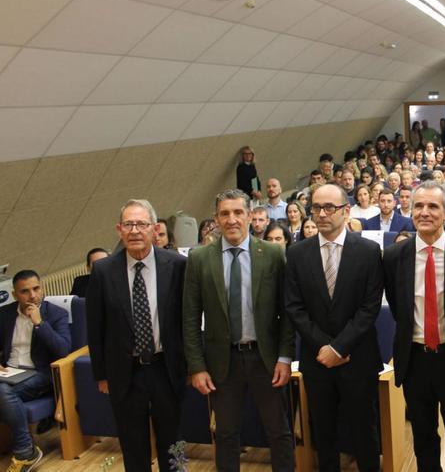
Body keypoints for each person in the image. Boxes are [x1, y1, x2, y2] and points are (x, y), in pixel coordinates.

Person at [182, 189, 295, 472]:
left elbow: (287, 312)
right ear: (216, 219)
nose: (231, 219)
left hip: (265, 359)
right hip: (223, 362)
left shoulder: (271, 254)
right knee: (226, 434)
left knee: (279, 432)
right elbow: (190, 318)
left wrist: (284, 357)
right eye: (224, 213)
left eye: (238, 212)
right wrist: (196, 366)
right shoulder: (199, 258)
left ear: (249, 216)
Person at [382, 180, 445, 471]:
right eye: (418, 206)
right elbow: (398, 307)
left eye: (433, 206)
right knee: (423, 437)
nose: (424, 212)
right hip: (414, 360)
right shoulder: (393, 257)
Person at [285, 184, 384, 472]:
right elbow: (294, 308)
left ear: (346, 211)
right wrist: (324, 347)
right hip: (318, 361)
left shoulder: (368, 251)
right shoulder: (297, 253)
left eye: (330, 207)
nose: (322, 214)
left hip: (358, 357)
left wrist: (340, 347)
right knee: (323, 432)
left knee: (364, 430)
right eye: (316, 207)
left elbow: (369, 308)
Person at [86, 199, 186, 472]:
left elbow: (186, 321)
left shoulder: (177, 265)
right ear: (119, 229)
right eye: (128, 224)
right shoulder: (104, 271)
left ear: (154, 229)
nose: (134, 231)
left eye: (141, 224)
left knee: (174, 443)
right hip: (125, 373)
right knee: (133, 445)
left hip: (166, 368)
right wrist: (101, 374)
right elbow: (95, 326)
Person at [1, 270, 70, 471]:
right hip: (9, 372)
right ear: (14, 295)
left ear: (42, 288)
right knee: (3, 390)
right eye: (25, 291)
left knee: (2, 391)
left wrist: (40, 324)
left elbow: (63, 349)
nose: (32, 295)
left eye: (36, 288)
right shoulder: (5, 314)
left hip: (40, 374)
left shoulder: (56, 314)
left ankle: (25, 451)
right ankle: (26, 450)